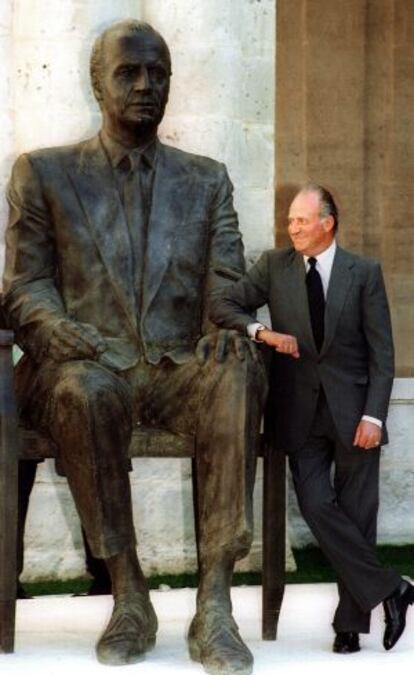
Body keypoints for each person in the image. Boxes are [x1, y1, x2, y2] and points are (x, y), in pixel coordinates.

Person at [2, 20, 266, 675]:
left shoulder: (207, 181)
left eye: (158, 74)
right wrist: (52, 326)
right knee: (82, 390)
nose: (146, 85)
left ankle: (214, 604)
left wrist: (227, 330)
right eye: (129, 73)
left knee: (236, 372)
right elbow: (24, 282)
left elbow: (225, 283)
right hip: (84, 362)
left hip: (175, 366)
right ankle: (128, 592)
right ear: (100, 83)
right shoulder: (44, 172)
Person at [211, 184, 414, 654]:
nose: (293, 228)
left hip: (354, 414)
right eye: (290, 221)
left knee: (359, 514)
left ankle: (350, 626)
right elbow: (223, 305)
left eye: (301, 220)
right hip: (298, 414)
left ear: (328, 222)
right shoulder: (273, 266)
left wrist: (374, 417)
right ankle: (392, 588)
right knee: (317, 503)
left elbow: (382, 353)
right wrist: (262, 332)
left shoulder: (364, 272)